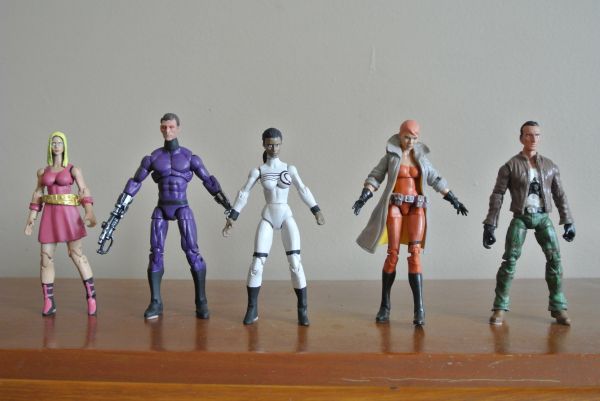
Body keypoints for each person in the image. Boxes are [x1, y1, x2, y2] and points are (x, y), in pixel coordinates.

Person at [98, 113, 231, 320]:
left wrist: (227, 205)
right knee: (156, 253)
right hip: (162, 207)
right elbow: (135, 183)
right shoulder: (153, 158)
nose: (167, 131)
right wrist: (118, 211)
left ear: (178, 128)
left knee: (192, 252)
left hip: (182, 207)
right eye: (164, 127)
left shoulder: (190, 157)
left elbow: (209, 181)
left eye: (171, 127)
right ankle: (156, 302)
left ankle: (201, 301)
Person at [353, 120, 468, 326]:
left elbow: (435, 179)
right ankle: (385, 306)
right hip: (395, 206)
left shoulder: (421, 158)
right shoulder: (391, 157)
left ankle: (419, 309)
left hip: (416, 206)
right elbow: (376, 177)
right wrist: (363, 197)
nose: (410, 142)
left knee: (415, 255)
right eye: (407, 137)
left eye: (414, 138)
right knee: (392, 254)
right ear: (400, 135)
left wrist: (454, 200)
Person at [222, 128, 325, 326]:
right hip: (268, 216)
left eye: (277, 144)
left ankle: (302, 310)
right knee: (256, 264)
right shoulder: (259, 171)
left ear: (281, 144)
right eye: (270, 144)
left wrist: (316, 210)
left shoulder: (289, 169)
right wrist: (232, 217)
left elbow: (303, 189)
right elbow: (244, 194)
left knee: (295, 263)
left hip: (286, 216)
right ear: (263, 144)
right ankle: (252, 308)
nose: (274, 148)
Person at [483, 121, 575, 326]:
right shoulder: (510, 166)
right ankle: (499, 307)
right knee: (509, 260)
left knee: (555, 260)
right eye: (528, 135)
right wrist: (490, 223)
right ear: (521, 138)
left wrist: (567, 220)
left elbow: (559, 194)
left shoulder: (550, 166)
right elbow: (498, 194)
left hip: (543, 217)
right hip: (521, 217)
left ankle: (558, 306)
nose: (533, 139)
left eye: (537, 135)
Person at [25, 131, 98, 316]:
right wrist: (32, 217)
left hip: (69, 215)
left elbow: (84, 190)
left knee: (77, 255)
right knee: (45, 258)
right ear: (50, 146)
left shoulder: (73, 170)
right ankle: (48, 301)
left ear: (64, 146)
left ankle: (91, 297)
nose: (56, 145)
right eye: (53, 142)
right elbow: (38, 193)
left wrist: (89, 211)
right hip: (49, 215)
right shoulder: (43, 172)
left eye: (59, 142)